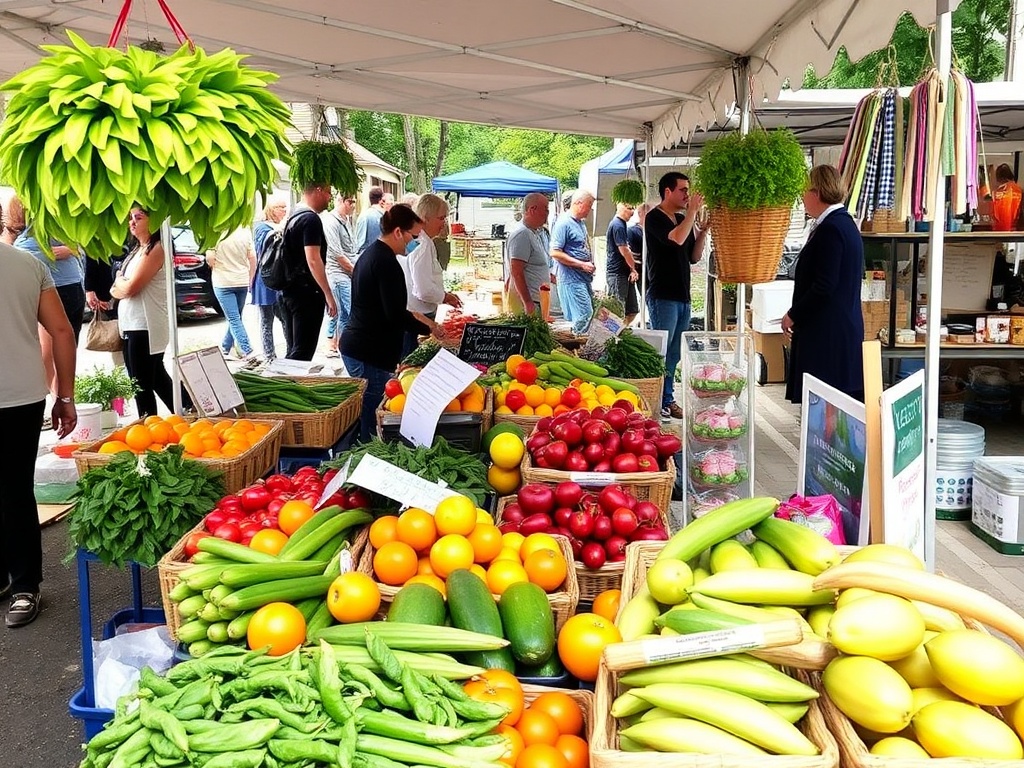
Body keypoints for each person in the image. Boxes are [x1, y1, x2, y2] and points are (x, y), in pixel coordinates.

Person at [0, 237, 77, 627]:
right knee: (14, 491)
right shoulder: (28, 265)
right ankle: (24, 586)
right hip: (21, 397)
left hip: (17, 397)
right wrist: (65, 395)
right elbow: (62, 331)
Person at [341, 204, 444, 441]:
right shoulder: (386, 263)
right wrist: (427, 327)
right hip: (369, 350)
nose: (416, 242)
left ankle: (361, 448)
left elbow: (392, 307)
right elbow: (395, 314)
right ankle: (365, 452)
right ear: (398, 232)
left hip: (361, 346)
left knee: (367, 408)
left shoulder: (373, 254)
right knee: (372, 410)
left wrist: (424, 323)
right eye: (414, 236)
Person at [782, 165, 865, 404]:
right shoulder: (844, 224)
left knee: (827, 407)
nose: (802, 197)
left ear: (816, 193)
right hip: (839, 328)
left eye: (805, 191)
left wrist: (793, 314)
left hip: (828, 333)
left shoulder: (832, 228)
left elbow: (824, 285)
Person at [111, 207, 185, 416]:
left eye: (138, 218)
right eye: (130, 218)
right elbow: (117, 288)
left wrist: (120, 283)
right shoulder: (138, 249)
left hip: (145, 325)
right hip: (130, 324)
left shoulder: (157, 248)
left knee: (142, 384)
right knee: (153, 378)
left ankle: (149, 425)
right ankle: (187, 411)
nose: (132, 223)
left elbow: (131, 287)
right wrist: (120, 285)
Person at [646, 172, 708, 421]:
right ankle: (658, 399)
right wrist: (692, 213)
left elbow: (693, 256)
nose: (687, 195)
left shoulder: (682, 218)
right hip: (663, 295)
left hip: (683, 295)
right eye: (682, 190)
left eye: (688, 190)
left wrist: (702, 232)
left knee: (675, 352)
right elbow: (676, 239)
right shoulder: (655, 218)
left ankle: (667, 398)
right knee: (662, 351)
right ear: (667, 191)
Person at [278, 183, 337, 361]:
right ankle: (292, 386)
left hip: (288, 291)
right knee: (302, 352)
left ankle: (287, 384)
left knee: (293, 348)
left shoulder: (293, 215)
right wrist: (328, 293)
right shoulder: (310, 219)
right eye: (328, 193)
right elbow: (313, 259)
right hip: (306, 294)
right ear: (318, 190)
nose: (330, 198)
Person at [401, 194, 462, 357]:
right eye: (441, 218)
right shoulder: (422, 246)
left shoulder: (425, 242)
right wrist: (445, 297)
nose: (444, 223)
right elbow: (423, 290)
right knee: (409, 364)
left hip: (417, 314)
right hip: (416, 317)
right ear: (425, 218)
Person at [550, 190, 596, 334]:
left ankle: (578, 346)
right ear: (578, 203)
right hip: (571, 280)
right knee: (584, 316)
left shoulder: (580, 223)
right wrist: (581, 264)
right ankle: (577, 348)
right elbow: (555, 252)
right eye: (589, 205)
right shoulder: (563, 223)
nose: (590, 209)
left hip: (583, 278)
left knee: (587, 317)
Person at [207, 225, 256, 359]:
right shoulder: (245, 230)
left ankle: (247, 350)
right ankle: (225, 348)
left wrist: (215, 266)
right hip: (241, 280)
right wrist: (251, 278)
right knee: (236, 317)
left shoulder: (215, 231)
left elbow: (210, 258)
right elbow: (252, 257)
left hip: (223, 282)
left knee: (234, 319)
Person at [321, 193, 359, 358]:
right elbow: (338, 254)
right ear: (340, 201)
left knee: (344, 314)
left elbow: (352, 249)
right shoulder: (331, 221)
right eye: (350, 202)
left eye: (354, 202)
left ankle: (344, 347)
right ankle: (344, 347)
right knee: (349, 312)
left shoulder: (347, 220)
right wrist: (356, 271)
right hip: (338, 274)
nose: (353, 205)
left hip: (348, 272)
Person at [252, 197, 288, 362]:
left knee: (285, 317)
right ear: (272, 209)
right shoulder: (261, 227)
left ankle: (290, 350)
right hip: (265, 278)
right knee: (267, 320)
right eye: (281, 207)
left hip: (279, 277)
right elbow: (264, 247)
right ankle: (269, 355)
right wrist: (279, 230)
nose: (285, 210)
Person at [506, 192, 551, 316]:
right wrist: (527, 302)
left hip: (538, 299)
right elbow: (516, 271)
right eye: (546, 210)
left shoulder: (533, 233)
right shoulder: (522, 234)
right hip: (529, 303)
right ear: (532, 209)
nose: (548, 214)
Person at [605, 201, 639, 325]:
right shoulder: (617, 225)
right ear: (621, 207)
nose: (632, 212)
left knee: (632, 310)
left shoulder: (622, 224)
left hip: (624, 274)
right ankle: (611, 338)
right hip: (617, 274)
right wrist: (633, 268)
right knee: (616, 313)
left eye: (633, 208)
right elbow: (624, 249)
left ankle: (620, 333)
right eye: (630, 208)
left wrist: (631, 269)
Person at [355, 187, 392, 255]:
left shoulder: (364, 216)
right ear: (381, 199)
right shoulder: (387, 217)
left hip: (368, 257)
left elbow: (359, 244)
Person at [992, 164, 1023, 232]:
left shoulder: (998, 192)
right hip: (1017, 229)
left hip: (1000, 229)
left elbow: (995, 214)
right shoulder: (1019, 190)